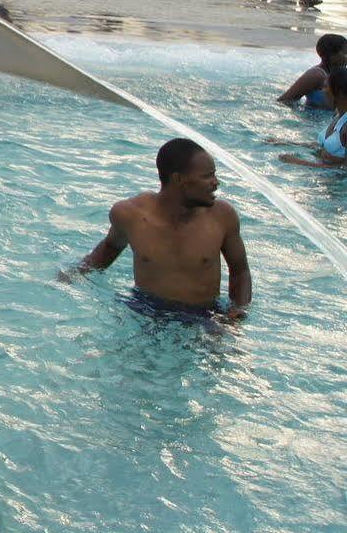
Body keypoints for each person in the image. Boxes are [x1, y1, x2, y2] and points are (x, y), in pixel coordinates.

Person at [70, 138, 251, 320]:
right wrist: (76, 274)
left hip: (204, 314)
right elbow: (109, 248)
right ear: (179, 179)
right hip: (146, 308)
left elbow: (240, 271)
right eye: (208, 176)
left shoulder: (222, 216)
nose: (216, 182)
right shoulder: (130, 215)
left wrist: (238, 309)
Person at [279, 66, 347, 169]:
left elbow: (344, 169)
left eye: (326, 87)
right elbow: (322, 146)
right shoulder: (338, 115)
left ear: (339, 93)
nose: (323, 91)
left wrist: (298, 162)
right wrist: (285, 143)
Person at [277, 34, 346, 108]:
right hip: (312, 118)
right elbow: (284, 100)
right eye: (345, 53)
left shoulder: (341, 75)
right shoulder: (316, 75)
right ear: (332, 55)